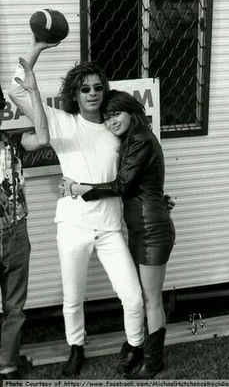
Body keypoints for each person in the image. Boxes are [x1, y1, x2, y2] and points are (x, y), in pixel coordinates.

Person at [8, 38, 145, 378]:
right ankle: (76, 349)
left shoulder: (118, 128)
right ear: (76, 93)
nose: (93, 93)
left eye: (98, 87)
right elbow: (17, 91)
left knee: (133, 297)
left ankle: (135, 347)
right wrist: (37, 48)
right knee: (73, 298)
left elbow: (137, 173)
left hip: (112, 227)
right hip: (72, 226)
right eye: (85, 89)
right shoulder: (63, 122)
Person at [61, 89, 176, 379]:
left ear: (131, 111)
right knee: (147, 297)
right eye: (107, 116)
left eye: (117, 114)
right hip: (142, 225)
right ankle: (145, 354)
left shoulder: (139, 139)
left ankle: (152, 363)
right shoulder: (131, 140)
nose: (111, 121)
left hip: (150, 229)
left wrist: (80, 189)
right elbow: (143, 185)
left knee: (150, 299)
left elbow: (122, 185)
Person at [0, 85, 31, 380]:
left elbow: (44, 136)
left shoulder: (11, 143)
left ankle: (8, 365)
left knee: (14, 306)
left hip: (17, 231)